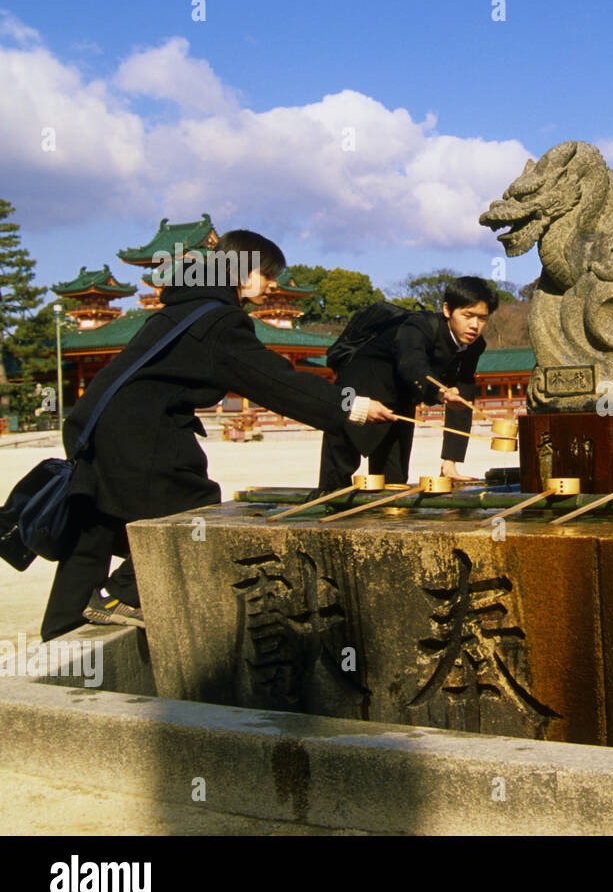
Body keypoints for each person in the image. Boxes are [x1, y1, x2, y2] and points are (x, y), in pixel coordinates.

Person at [41, 230, 396, 638]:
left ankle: (63, 627)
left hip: (95, 422)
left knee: (98, 520)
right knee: (195, 506)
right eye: (266, 274)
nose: (272, 284)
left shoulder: (186, 307)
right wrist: (350, 405)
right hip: (142, 428)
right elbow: (274, 380)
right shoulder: (218, 320)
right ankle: (123, 594)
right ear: (242, 273)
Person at [317, 276, 497, 491]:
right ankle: (328, 502)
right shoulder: (418, 326)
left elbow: (462, 395)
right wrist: (440, 393)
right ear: (447, 310)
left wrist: (450, 462)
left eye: (482, 318)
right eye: (468, 316)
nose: (475, 325)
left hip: (402, 396)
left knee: (394, 481)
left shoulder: (475, 346)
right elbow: (412, 364)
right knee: (339, 471)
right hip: (358, 388)